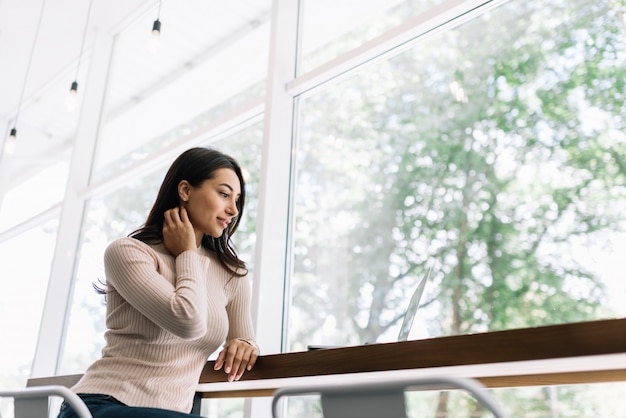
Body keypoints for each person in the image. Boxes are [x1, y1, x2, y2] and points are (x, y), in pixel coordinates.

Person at [57, 147, 259, 418]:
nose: (233, 210)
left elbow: (243, 340)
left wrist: (247, 344)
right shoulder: (128, 253)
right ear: (185, 190)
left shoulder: (232, 274)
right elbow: (188, 322)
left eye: (237, 199)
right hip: (101, 405)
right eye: (223, 194)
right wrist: (187, 253)